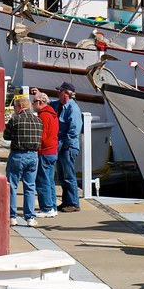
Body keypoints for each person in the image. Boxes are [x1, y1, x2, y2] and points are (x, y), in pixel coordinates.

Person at [2, 94, 42, 226]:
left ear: (20, 107)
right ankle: (30, 217)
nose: (14, 109)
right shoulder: (38, 121)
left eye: (14, 107)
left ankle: (12, 216)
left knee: (12, 186)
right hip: (33, 155)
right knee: (30, 186)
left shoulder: (15, 120)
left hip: (17, 155)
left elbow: (6, 136)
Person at [53, 82, 81, 212]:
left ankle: (73, 203)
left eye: (61, 91)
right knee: (62, 176)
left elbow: (74, 129)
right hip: (61, 146)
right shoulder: (61, 106)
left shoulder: (73, 108)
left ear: (67, 94)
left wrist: (66, 145)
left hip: (67, 147)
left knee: (69, 176)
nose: (58, 93)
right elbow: (47, 103)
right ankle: (66, 202)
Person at [32, 91, 59, 218]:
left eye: (34, 102)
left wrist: (34, 147)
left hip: (44, 152)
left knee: (42, 181)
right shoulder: (53, 114)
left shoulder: (43, 116)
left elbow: (41, 136)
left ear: (41, 103)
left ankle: (47, 208)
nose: (33, 104)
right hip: (52, 151)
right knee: (50, 181)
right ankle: (52, 207)